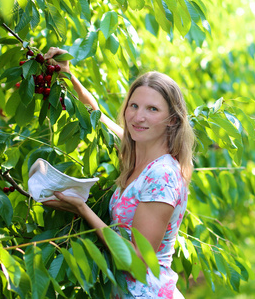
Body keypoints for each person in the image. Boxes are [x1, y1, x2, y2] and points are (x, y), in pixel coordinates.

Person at [42, 47, 195, 298]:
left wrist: (82, 209)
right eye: (133, 105)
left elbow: (138, 261)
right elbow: (96, 116)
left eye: (152, 109)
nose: (138, 116)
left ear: (172, 120)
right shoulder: (138, 154)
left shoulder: (163, 175)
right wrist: (67, 76)